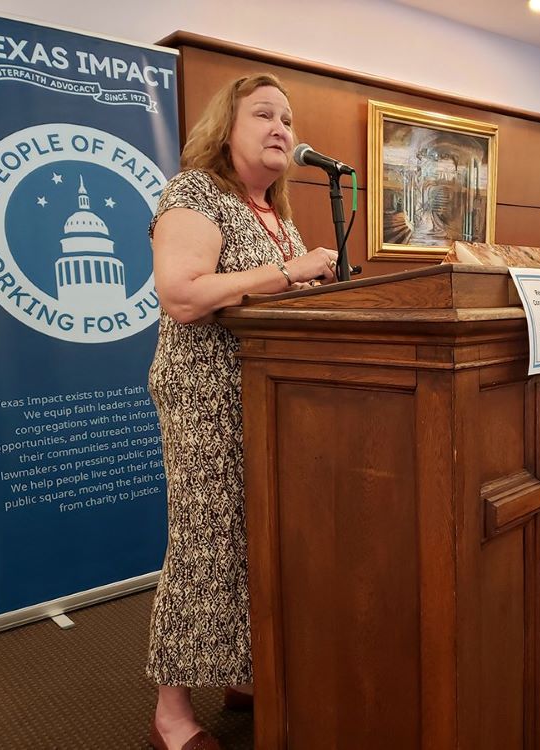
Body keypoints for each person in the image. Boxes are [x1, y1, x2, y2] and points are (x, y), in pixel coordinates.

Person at [145, 73, 338, 750]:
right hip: (205, 397)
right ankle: (171, 713)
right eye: (264, 113)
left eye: (287, 116)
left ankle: (241, 669)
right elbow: (182, 293)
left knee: (259, 542)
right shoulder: (195, 192)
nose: (281, 126)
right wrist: (291, 272)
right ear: (226, 125)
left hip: (269, 398)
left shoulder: (278, 216)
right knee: (205, 544)